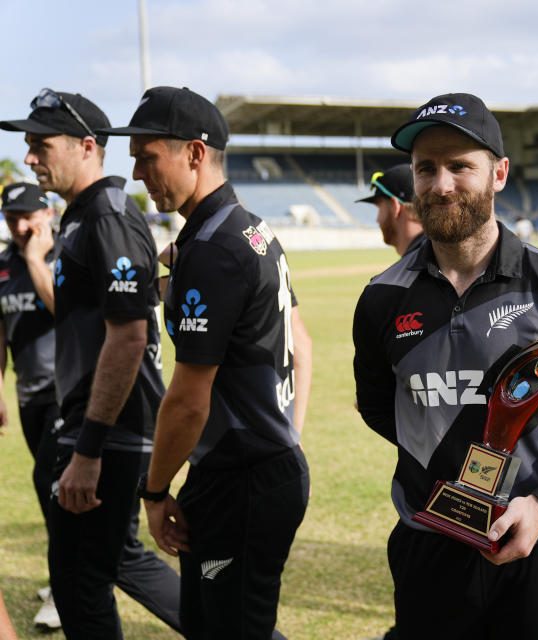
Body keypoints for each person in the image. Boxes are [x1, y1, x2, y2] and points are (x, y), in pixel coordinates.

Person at [353, 92, 538, 640]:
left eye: (460, 166)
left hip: (537, 546)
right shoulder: (382, 300)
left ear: (499, 173)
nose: (441, 184)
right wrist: (440, 459)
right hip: (428, 547)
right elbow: (376, 405)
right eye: (426, 168)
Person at [100, 85, 312, 640]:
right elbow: (300, 340)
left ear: (194, 153)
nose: (140, 175)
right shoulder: (249, 229)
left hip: (240, 482)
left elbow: (189, 400)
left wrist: (153, 491)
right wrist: (287, 434)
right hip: (262, 468)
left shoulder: (214, 249)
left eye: (148, 158)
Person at [0, 88, 181, 639]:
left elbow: (127, 338)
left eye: (40, 145)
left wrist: (88, 448)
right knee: (95, 570)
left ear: (86, 146)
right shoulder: (82, 218)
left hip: (110, 433)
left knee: (82, 582)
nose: (30, 158)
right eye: (27, 145)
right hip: (90, 427)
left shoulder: (106, 216)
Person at [0, 181, 60, 630]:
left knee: (53, 486)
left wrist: (36, 260)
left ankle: (67, 586)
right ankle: (64, 574)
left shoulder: (63, 258)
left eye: (28, 216)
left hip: (67, 394)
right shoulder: (2, 265)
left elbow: (64, 308)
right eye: (10, 218)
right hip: (28, 395)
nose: (20, 227)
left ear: (48, 212)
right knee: (46, 490)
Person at [357, 164, 424, 256]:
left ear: (395, 207)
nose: (377, 219)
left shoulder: (413, 267)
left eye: (379, 207)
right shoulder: (441, 256)